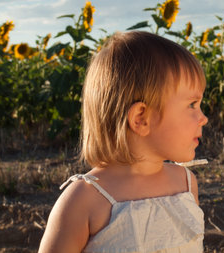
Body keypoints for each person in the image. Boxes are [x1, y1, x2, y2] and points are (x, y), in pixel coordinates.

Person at [38, 31, 208, 253]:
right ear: (141, 118)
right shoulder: (84, 200)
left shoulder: (185, 184)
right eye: (192, 105)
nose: (203, 118)